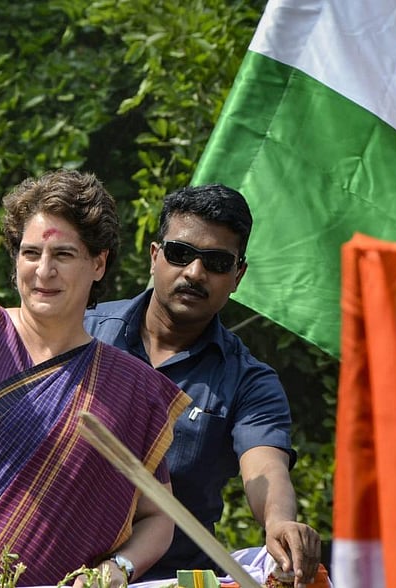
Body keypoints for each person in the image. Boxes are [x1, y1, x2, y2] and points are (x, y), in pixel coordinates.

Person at [0, 77, 189, 588]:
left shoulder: (132, 388)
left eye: (63, 254)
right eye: (31, 253)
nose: (43, 270)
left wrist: (116, 571)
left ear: (98, 264)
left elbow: (157, 517)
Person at [83, 184, 322, 587]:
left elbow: (265, 467)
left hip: (170, 580)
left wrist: (279, 522)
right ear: (155, 256)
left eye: (216, 262)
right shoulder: (83, 332)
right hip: (47, 571)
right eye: (180, 253)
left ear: (238, 275)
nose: (195, 273)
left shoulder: (249, 381)